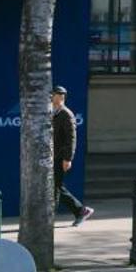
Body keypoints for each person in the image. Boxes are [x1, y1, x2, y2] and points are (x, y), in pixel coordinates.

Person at [50, 85, 93, 226]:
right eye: (56, 95)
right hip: (52, 156)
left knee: (56, 187)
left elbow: (71, 139)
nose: (58, 97)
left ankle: (80, 210)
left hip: (60, 156)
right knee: (56, 186)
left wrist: (67, 159)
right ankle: (79, 211)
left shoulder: (66, 114)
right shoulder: (52, 112)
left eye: (60, 95)